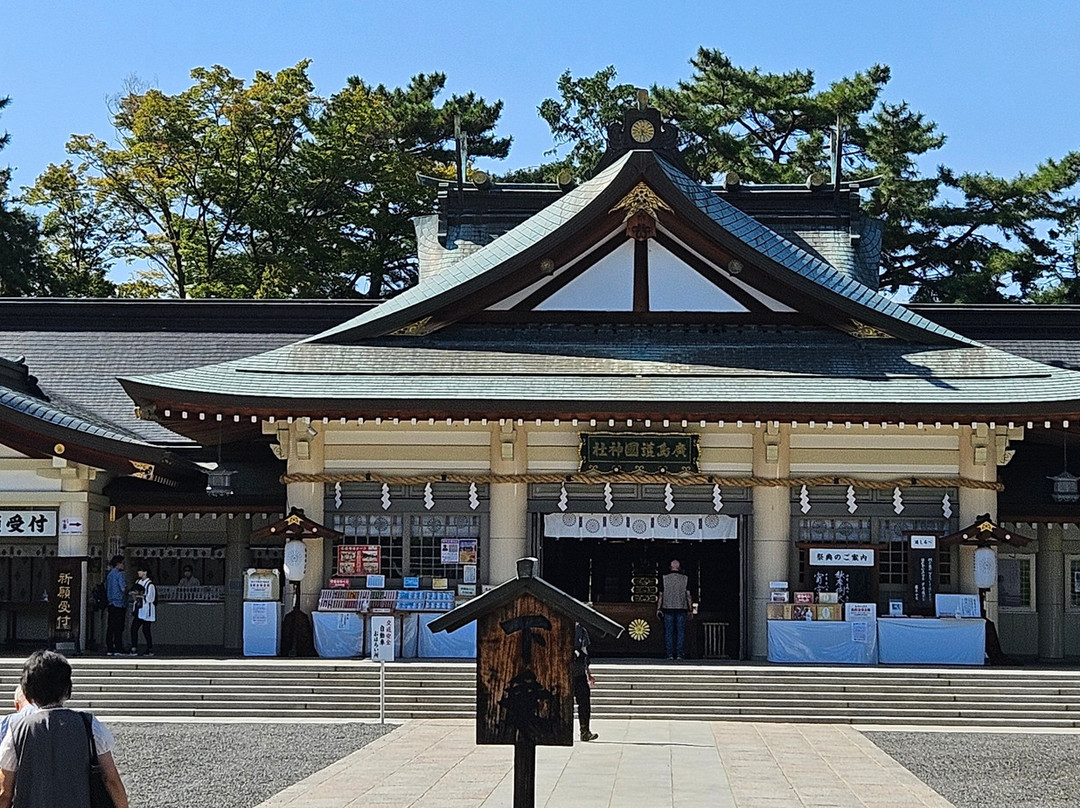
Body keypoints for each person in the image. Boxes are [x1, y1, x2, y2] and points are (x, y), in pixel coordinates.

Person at [0, 649, 129, 808]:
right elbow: (111, 779)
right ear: (67, 688)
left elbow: (5, 792)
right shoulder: (89, 725)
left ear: (28, 690)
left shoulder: (15, 730)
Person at [657, 559, 693, 660]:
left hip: (668, 608)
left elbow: (661, 595)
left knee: (669, 632)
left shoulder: (664, 578)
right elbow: (688, 596)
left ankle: (669, 654)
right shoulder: (685, 579)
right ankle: (679, 654)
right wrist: (690, 609)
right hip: (681, 608)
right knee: (680, 632)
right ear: (679, 567)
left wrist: (658, 608)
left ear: (670, 567)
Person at [573, 622, 597, 742]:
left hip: (579, 673)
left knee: (584, 703)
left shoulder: (581, 631)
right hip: (564, 673)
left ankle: (585, 731)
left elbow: (585, 654)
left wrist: (588, 673)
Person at [128, 564, 156, 657]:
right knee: (134, 628)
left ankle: (150, 649)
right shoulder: (138, 582)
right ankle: (134, 648)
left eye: (140, 570)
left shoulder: (150, 584)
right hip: (138, 609)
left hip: (146, 609)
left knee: (146, 630)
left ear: (145, 572)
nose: (138, 572)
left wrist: (140, 595)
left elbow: (151, 598)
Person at [105, 555, 128, 656]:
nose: (124, 565)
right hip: (119, 603)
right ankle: (118, 647)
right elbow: (123, 589)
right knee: (119, 627)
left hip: (110, 603)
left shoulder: (109, 575)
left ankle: (110, 647)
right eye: (123, 563)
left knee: (111, 626)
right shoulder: (120, 574)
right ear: (118, 564)